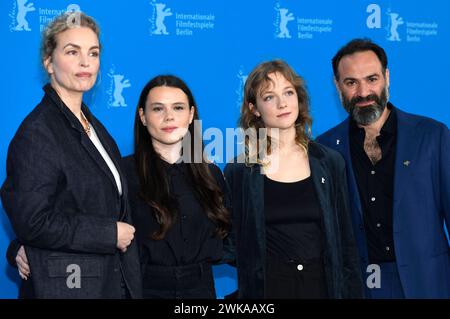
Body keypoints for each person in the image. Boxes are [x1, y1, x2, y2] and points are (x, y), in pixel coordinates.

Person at [1, 12, 142, 298]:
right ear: (48, 62)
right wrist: (108, 234)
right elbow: (34, 221)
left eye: (93, 52)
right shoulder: (38, 132)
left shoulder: (95, 128)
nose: (85, 62)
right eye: (72, 51)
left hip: (110, 284)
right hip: (70, 288)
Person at [317, 38, 450, 298]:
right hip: (361, 287)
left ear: (387, 77)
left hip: (428, 282)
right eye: (351, 82)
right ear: (337, 86)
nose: (363, 92)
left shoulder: (432, 137)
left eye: (372, 79)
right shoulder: (324, 150)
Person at [224, 60, 363, 299]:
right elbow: (231, 242)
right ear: (254, 108)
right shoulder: (240, 171)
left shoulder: (329, 162)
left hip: (323, 288)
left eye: (288, 92)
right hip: (268, 290)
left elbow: (346, 244)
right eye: (269, 97)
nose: (282, 103)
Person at [121, 75, 233, 299]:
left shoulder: (211, 175)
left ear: (191, 115)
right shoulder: (122, 173)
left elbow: (234, 237)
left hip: (201, 291)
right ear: (143, 117)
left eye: (178, 108)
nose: (169, 116)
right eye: (157, 109)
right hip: (143, 290)